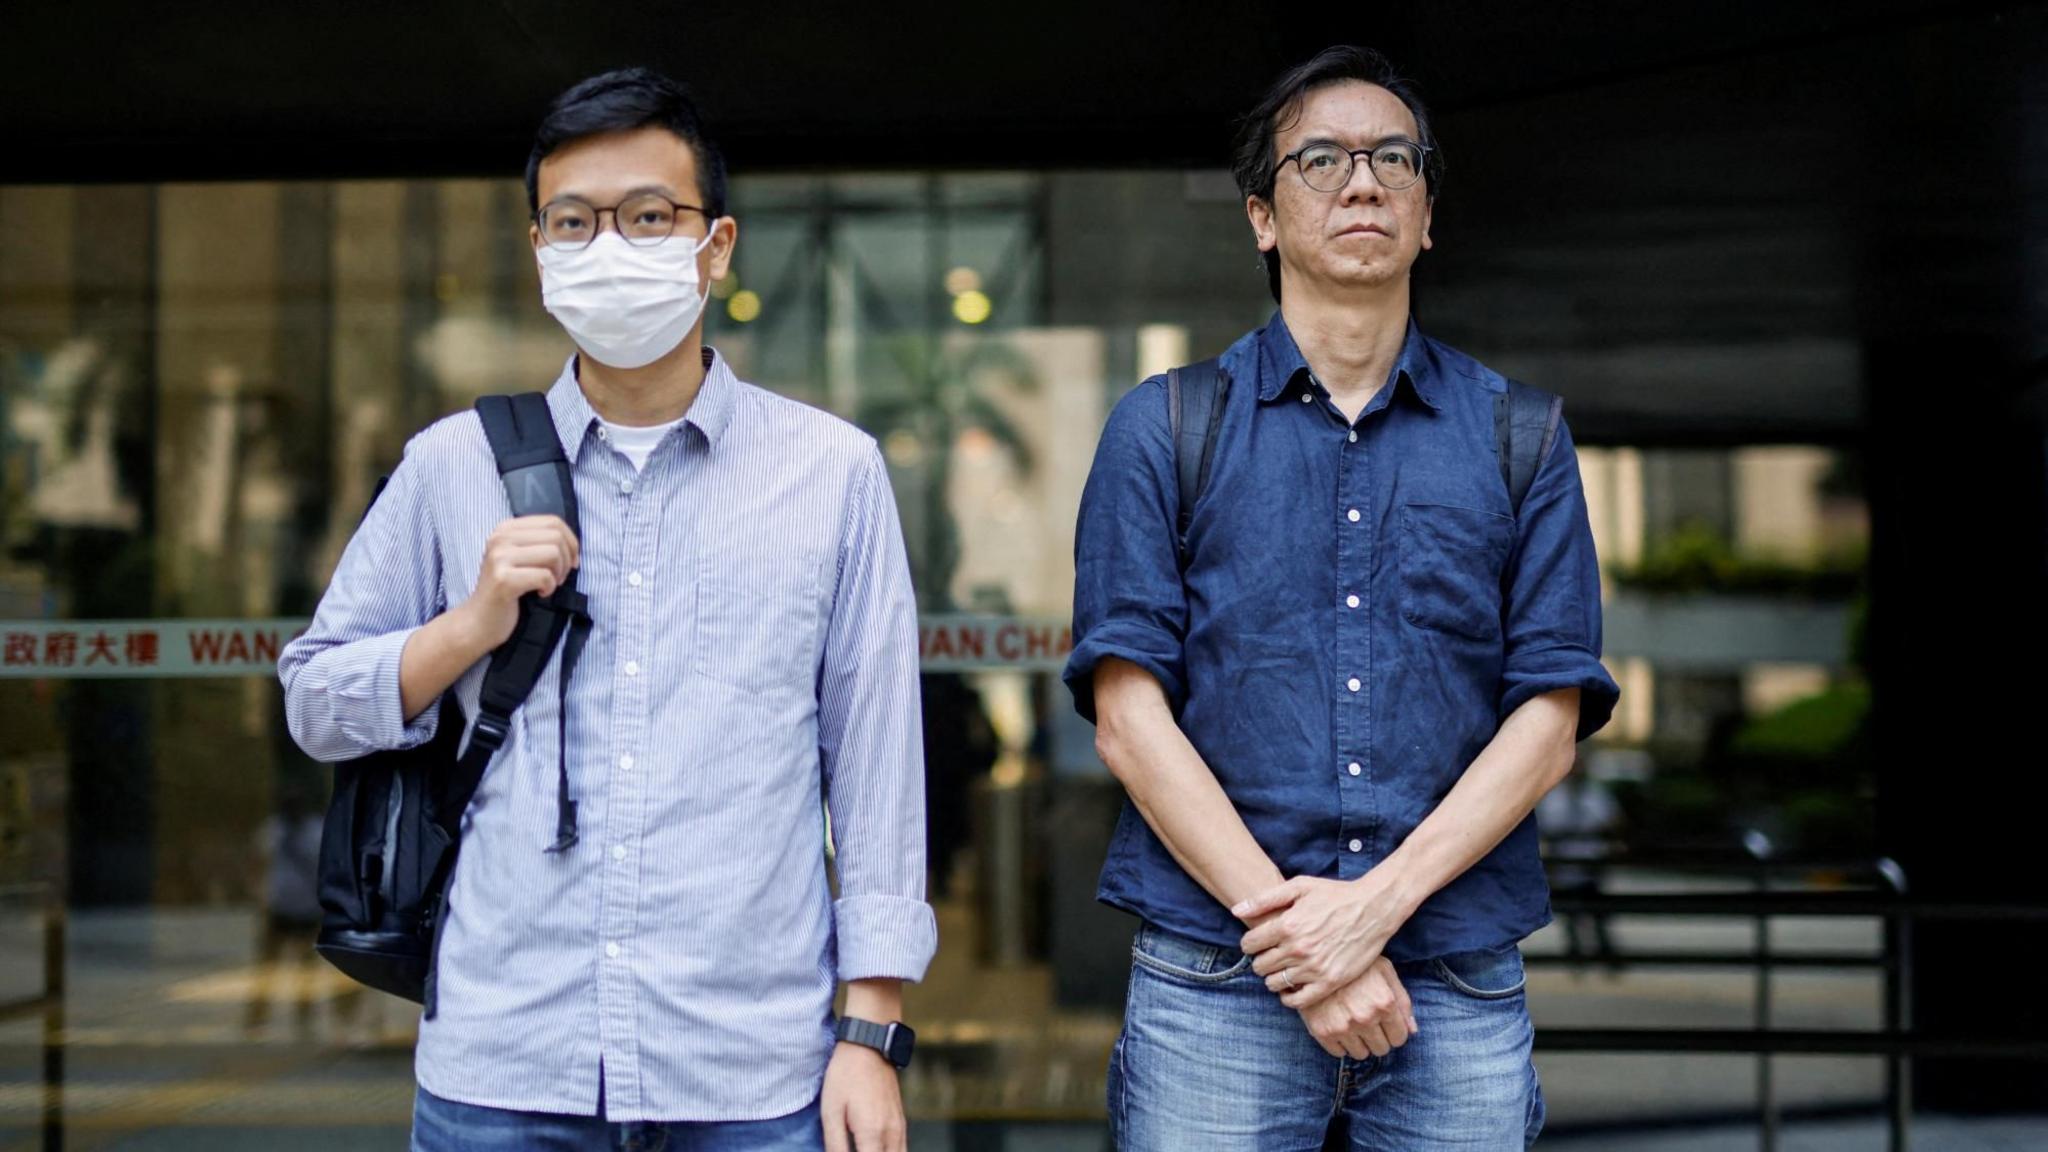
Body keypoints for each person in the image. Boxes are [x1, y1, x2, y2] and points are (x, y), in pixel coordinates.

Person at [280, 67, 934, 1152]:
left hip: (748, 1078)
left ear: (714, 244)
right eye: (573, 222)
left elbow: (873, 769)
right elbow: (314, 702)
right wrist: (467, 626)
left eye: (646, 216)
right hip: (502, 1065)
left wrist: (871, 1034)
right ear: (540, 250)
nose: (609, 246)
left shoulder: (831, 473)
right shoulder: (450, 467)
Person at [1064, 45, 1621, 1150]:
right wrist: (1304, 949)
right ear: (1261, 218)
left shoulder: (1521, 437)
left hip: (1451, 980)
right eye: (1318, 160)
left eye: (1391, 160)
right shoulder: (1165, 427)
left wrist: (1369, 913)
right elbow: (1129, 721)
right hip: (1211, 982)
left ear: (1426, 217)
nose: (1360, 182)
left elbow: (1548, 719)